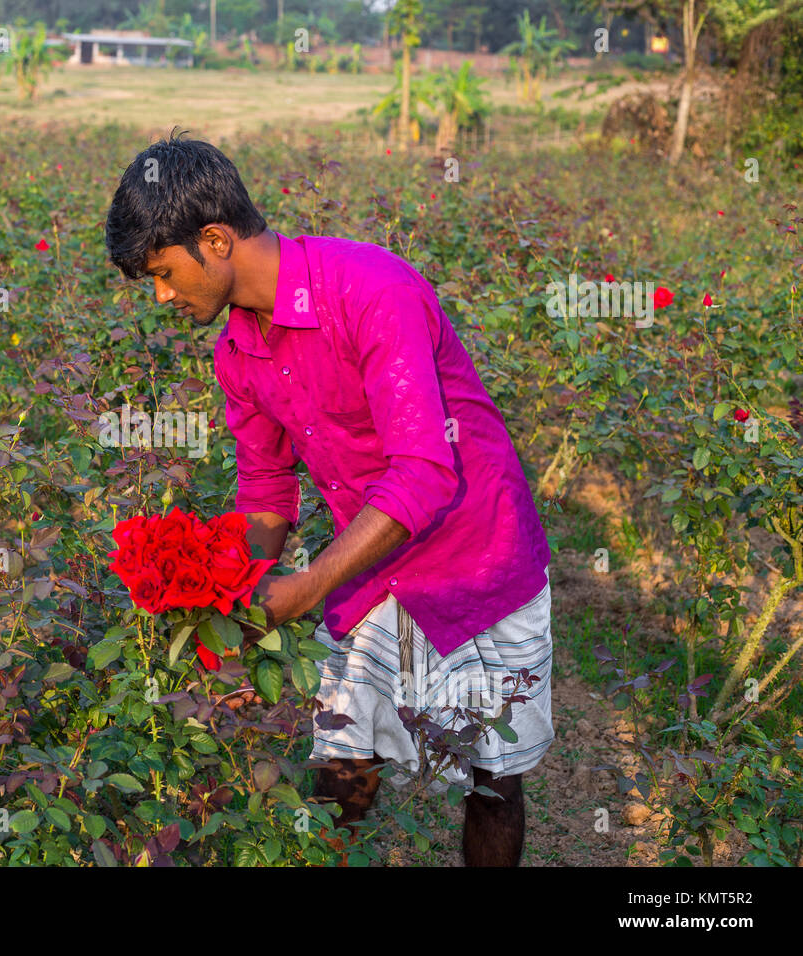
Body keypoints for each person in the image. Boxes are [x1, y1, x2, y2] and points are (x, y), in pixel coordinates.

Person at [104, 129, 554, 866]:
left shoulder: (372, 290)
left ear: (214, 240)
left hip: (479, 555)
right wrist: (240, 595)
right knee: (344, 768)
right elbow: (267, 486)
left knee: (494, 779)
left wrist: (307, 586)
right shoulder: (237, 350)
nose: (161, 295)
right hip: (372, 561)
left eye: (162, 271)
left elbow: (423, 472)